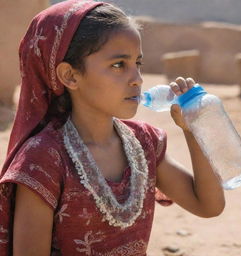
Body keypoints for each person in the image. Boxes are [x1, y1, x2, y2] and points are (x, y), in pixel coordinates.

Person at [0, 0, 225, 255]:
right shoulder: (44, 159)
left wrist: (194, 130)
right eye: (119, 65)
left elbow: (208, 205)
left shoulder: (144, 142)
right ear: (70, 76)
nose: (137, 79)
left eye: (137, 64)